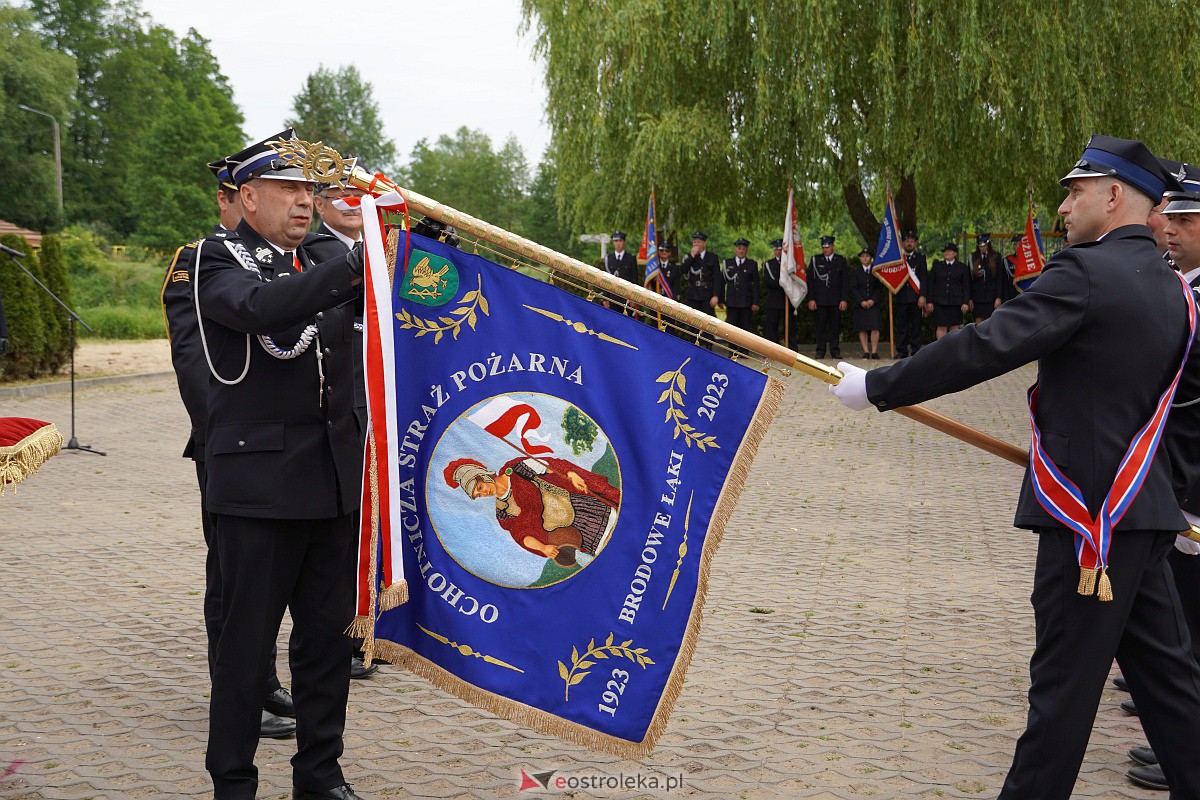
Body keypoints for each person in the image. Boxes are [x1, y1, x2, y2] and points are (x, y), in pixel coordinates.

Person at [830, 134, 1200, 799]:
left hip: (1090, 529)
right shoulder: (1176, 291)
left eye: (1075, 191)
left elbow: (984, 347)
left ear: (1113, 195)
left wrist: (879, 387)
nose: (1063, 207)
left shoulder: (1086, 273)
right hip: (1144, 517)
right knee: (1174, 696)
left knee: (1060, 703)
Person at [194, 130, 368, 800]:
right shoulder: (218, 258)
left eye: (309, 190)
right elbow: (260, 310)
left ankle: (319, 776)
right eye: (289, 189)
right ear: (248, 197)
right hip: (260, 492)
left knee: (326, 649)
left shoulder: (323, 257)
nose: (306, 202)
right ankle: (233, 782)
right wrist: (355, 265)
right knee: (245, 652)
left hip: (332, 487)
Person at [160, 156, 297, 740]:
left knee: (276, 576)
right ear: (236, 198)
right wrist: (223, 433)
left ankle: (262, 682)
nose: (301, 200)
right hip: (233, 443)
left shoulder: (293, 261)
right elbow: (197, 361)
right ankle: (238, 691)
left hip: (288, 449)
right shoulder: (200, 262)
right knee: (236, 580)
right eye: (282, 188)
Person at [1123, 161, 1200, 793]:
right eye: (1167, 217)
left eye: (1185, 219)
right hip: (1170, 478)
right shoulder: (1180, 288)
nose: (1169, 229)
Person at [308, 180, 380, 681]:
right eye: (339, 197)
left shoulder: (377, 248)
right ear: (317, 204)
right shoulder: (316, 254)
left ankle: (371, 628)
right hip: (342, 406)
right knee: (345, 535)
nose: (352, 207)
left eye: (360, 198)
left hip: (373, 403)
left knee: (371, 525)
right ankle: (350, 636)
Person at [444, 456, 621, 567]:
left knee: (621, 523)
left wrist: (570, 473)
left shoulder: (514, 469)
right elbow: (521, 535)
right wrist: (542, 547)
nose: (484, 493)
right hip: (570, 531)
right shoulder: (503, 511)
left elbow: (548, 466)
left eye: (480, 487)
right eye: (478, 494)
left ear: (481, 475)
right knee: (611, 551)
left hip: (577, 505)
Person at [806, 235, 848, 358]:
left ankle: (835, 350)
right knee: (820, 327)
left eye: (828, 247)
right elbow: (811, 281)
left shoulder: (840, 260)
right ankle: (820, 350)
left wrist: (844, 299)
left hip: (835, 300)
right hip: (820, 300)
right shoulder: (816, 260)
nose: (825, 249)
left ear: (832, 247)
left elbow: (844, 282)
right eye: (823, 247)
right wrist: (811, 298)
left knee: (835, 327)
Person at [714, 237, 759, 342]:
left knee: (745, 327)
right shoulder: (728, 263)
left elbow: (756, 285)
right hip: (732, 301)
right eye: (739, 248)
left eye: (744, 249)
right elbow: (722, 282)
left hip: (746, 302)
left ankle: (743, 351)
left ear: (746, 250)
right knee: (732, 328)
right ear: (736, 249)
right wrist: (720, 300)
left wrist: (756, 302)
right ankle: (732, 350)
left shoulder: (752, 264)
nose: (741, 251)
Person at [681, 231, 719, 348]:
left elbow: (717, 278)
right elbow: (683, 270)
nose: (696, 244)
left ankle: (708, 344)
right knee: (693, 320)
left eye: (698, 242)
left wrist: (716, 295)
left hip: (707, 293)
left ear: (704, 243)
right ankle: (693, 344)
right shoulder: (689, 257)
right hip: (693, 293)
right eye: (694, 242)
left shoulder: (712, 257)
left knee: (707, 320)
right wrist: (692, 256)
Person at [894, 230, 928, 357]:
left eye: (912, 241)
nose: (909, 243)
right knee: (901, 326)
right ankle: (901, 351)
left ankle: (916, 351)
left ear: (915, 243)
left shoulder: (920, 258)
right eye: (907, 241)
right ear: (903, 243)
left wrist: (923, 296)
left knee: (916, 326)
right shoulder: (898, 259)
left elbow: (924, 278)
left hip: (916, 297)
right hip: (901, 296)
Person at [926, 242, 969, 339]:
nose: (947, 253)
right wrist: (929, 301)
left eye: (949, 251)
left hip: (956, 302)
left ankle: (953, 351)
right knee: (941, 327)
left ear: (955, 253)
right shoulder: (937, 266)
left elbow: (966, 286)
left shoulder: (962, 267)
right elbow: (931, 284)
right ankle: (941, 351)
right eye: (945, 252)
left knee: (955, 327)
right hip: (940, 302)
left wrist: (965, 302)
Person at [761, 238, 797, 349]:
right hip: (774, 300)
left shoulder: (790, 264)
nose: (778, 251)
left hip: (787, 298)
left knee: (790, 326)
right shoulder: (769, 264)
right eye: (776, 249)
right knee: (772, 326)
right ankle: (772, 349)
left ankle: (791, 348)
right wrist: (782, 283)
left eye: (780, 249)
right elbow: (768, 281)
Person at [850, 247, 883, 359]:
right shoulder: (856, 271)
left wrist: (872, 300)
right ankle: (865, 351)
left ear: (871, 258)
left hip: (873, 303)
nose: (865, 258)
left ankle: (874, 351)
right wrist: (861, 301)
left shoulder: (876, 271)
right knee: (862, 328)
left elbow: (879, 287)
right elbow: (854, 288)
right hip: (860, 304)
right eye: (863, 256)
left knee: (875, 327)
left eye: (867, 256)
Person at [968, 233, 1003, 323]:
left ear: (988, 244)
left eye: (984, 246)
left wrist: (998, 297)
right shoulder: (973, 257)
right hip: (977, 297)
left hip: (991, 296)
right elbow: (969, 280)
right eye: (980, 246)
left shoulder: (996, 257)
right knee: (979, 323)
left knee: (990, 322)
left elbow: (999, 279)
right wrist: (970, 298)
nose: (982, 248)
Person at [602, 230, 639, 313]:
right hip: (612, 298)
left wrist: (634, 298)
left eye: (620, 241)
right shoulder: (608, 259)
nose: (618, 243)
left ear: (624, 242)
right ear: (613, 242)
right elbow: (605, 280)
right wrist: (605, 298)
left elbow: (634, 279)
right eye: (616, 241)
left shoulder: (631, 258)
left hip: (627, 299)